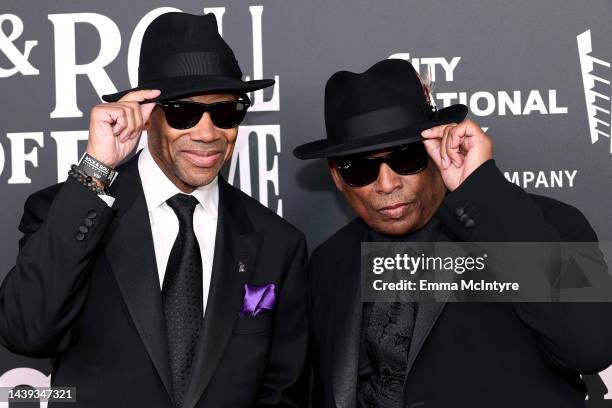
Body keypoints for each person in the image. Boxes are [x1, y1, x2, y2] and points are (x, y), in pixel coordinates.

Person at [0, 12, 308, 408]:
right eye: (184, 112)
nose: (208, 132)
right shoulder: (70, 211)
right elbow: (26, 330)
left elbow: (282, 392)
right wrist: (96, 169)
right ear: (146, 116)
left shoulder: (277, 244)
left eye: (225, 111)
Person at [293, 58, 612, 407]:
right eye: (361, 168)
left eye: (406, 157)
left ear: (437, 147)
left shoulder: (546, 224)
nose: (386, 184)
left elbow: (591, 346)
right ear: (337, 176)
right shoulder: (329, 263)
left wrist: (482, 191)